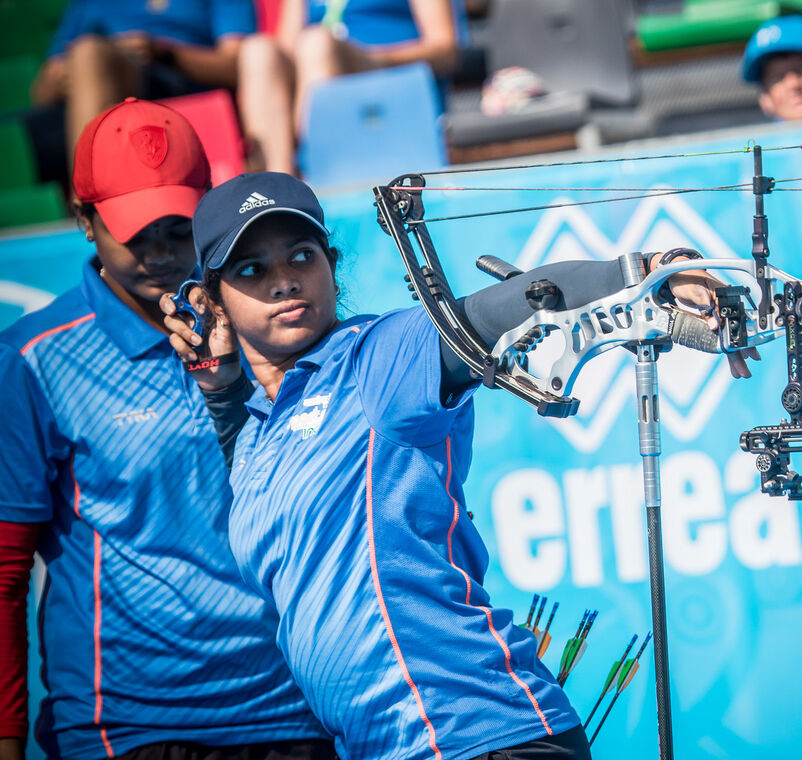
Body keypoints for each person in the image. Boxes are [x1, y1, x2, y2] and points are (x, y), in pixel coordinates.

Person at [161, 170, 755, 758]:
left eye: (301, 256)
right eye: (252, 270)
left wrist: (646, 272)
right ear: (211, 301)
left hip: (479, 734)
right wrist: (219, 382)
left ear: (331, 267)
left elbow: (502, 309)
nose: (285, 281)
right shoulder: (257, 431)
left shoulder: (375, 359)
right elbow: (251, 460)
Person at [0, 100, 331, 760]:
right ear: (83, 219)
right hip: (132, 727)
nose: (158, 252)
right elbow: (6, 572)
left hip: (301, 710)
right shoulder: (33, 359)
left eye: (179, 228)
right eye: (135, 232)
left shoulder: (279, 327)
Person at [29, 0, 255, 172]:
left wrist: (164, 52)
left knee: (90, 53)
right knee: (90, 53)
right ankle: (95, 190)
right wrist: (76, 70)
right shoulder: (89, 4)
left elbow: (236, 68)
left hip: (177, 78)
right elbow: (42, 93)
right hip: (103, 74)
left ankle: (90, 197)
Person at [238, 0, 461, 175]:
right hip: (314, 67)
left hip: (386, 75)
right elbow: (285, 50)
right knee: (258, 51)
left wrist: (374, 59)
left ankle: (313, 168)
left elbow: (445, 49)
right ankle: (279, 183)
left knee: (317, 44)